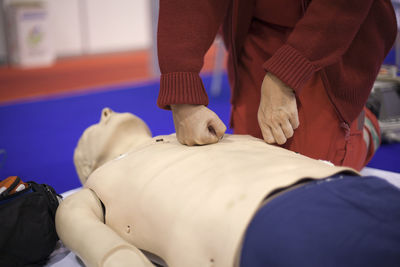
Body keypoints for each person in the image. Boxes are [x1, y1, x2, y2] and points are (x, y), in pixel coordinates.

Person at [55, 108, 400, 267]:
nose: (105, 110)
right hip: (272, 225)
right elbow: (110, 254)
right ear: (88, 170)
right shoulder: (95, 190)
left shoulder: (194, 131)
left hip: (351, 186)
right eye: (91, 131)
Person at [156, 0, 398, 171]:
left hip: (333, 28)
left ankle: (366, 126)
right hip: (258, 25)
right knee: (253, 163)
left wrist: (284, 77)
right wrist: (182, 93)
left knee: (314, 172)